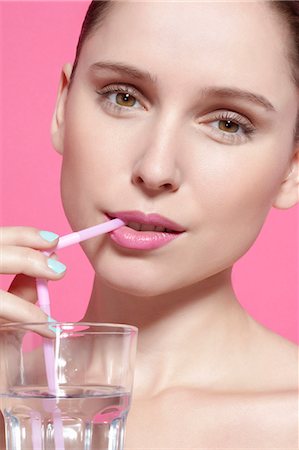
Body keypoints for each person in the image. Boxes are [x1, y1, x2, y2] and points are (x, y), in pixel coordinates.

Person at [1, 1, 298, 448]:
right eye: (123, 96)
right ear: (63, 105)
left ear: (292, 169)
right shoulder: (15, 403)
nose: (156, 169)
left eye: (228, 123)